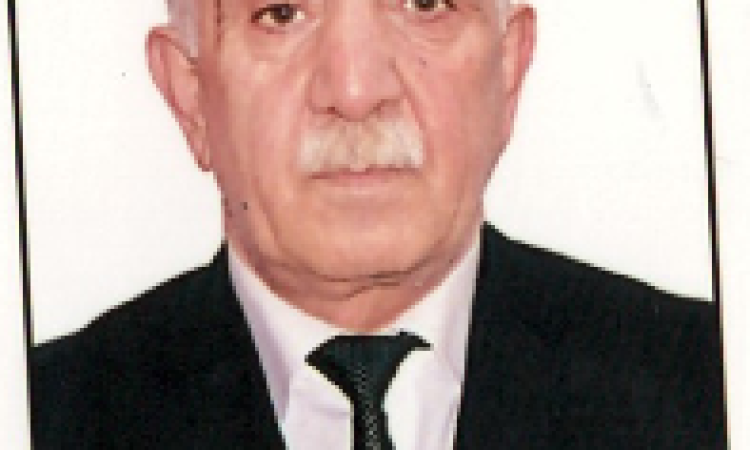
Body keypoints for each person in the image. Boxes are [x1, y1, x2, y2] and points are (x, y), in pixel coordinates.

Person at [30, 0, 726, 448]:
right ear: (189, 96)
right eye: (281, 13)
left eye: (424, 3)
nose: (356, 91)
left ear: (509, 68)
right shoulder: (45, 416)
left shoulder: (711, 384)